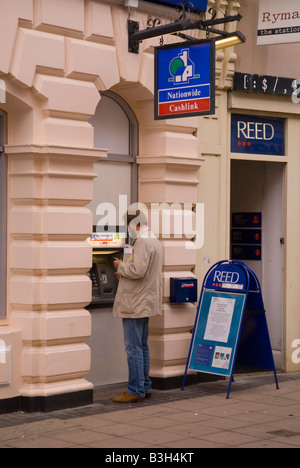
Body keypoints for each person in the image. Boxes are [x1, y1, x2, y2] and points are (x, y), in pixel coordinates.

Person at [112, 210, 162, 403]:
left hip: (135, 302)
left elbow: (137, 270)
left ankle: (135, 390)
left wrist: (119, 265)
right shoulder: (154, 240)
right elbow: (144, 271)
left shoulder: (142, 241)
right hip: (145, 300)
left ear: (133, 225)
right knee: (142, 346)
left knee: (133, 348)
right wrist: (124, 272)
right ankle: (145, 386)